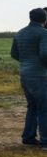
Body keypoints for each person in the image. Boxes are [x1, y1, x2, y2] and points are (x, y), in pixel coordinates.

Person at [10, 8, 47, 148]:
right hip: (39, 77)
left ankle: (28, 139)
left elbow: (14, 53)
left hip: (25, 76)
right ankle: (45, 142)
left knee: (32, 107)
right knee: (44, 110)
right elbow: (45, 54)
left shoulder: (20, 32)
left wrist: (27, 62)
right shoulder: (44, 33)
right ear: (44, 20)